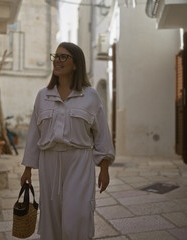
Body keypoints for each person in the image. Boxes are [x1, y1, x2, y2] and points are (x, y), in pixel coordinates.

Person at [20, 42, 115, 240]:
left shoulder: (90, 96)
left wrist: (104, 168)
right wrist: (28, 169)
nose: (57, 60)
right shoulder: (43, 96)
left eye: (63, 57)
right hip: (49, 162)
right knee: (52, 217)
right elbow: (34, 135)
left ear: (76, 64)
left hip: (79, 161)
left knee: (77, 215)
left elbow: (101, 133)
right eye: (56, 56)